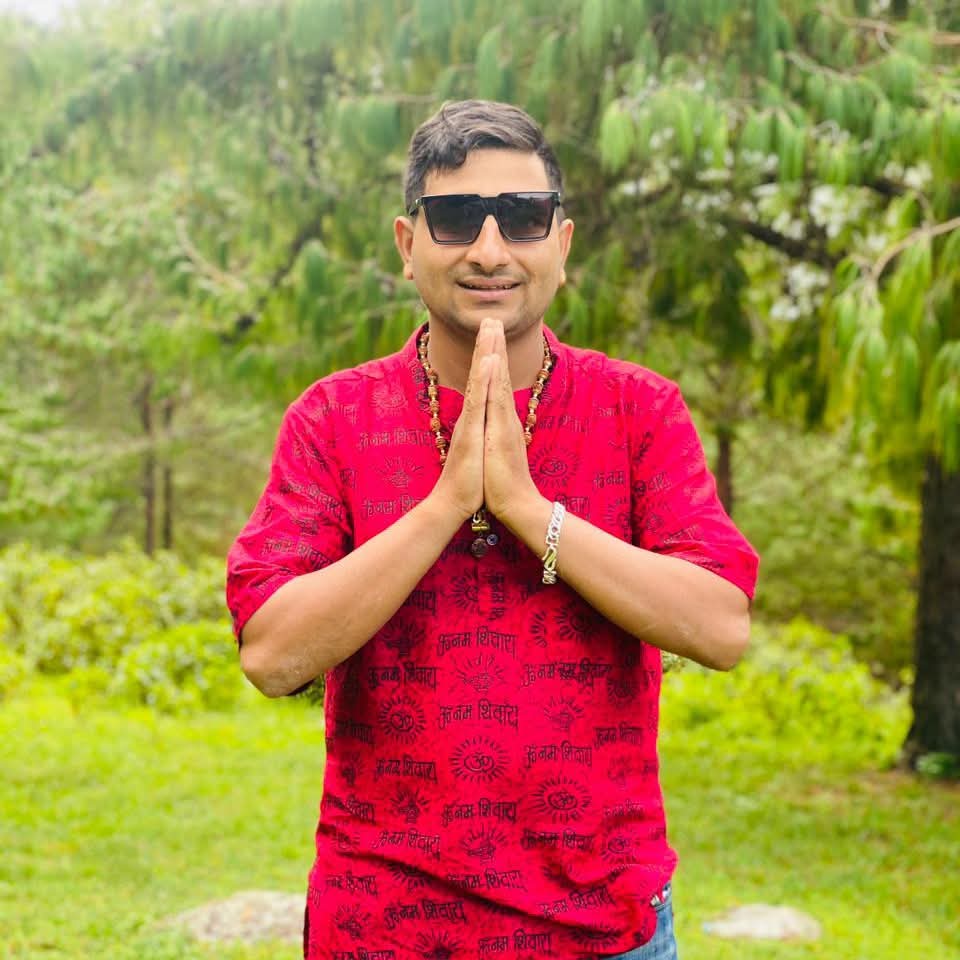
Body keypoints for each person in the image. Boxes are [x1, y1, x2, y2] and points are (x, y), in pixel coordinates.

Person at [226, 99, 758, 960]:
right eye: (454, 218)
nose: (488, 248)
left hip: (603, 925)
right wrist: (446, 505)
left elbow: (722, 626)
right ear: (408, 245)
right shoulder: (333, 417)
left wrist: (527, 509)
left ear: (562, 245)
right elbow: (272, 654)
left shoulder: (638, 409)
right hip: (384, 924)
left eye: (521, 217)